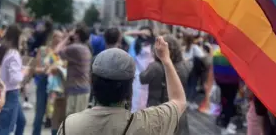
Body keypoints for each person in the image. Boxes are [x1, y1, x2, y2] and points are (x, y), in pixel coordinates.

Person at [59, 36, 187, 134]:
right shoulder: (147, 123)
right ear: (129, 88)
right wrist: (166, 60)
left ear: (92, 82)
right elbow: (179, 100)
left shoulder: (69, 125)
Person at [140, 35, 192, 135]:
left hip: (157, 109)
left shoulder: (155, 66)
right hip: (179, 110)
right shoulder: (186, 65)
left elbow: (143, 78)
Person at [0, 25, 26, 135]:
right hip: (10, 92)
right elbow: (15, 78)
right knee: (4, 127)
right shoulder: (14, 53)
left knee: (21, 121)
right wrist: (23, 73)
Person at [56, 23, 92, 117]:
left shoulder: (76, 48)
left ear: (77, 35)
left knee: (73, 122)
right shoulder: (85, 48)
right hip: (82, 89)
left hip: (77, 90)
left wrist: (67, 37)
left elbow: (57, 51)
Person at [130, 26, 155, 112]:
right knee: (136, 97)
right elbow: (125, 35)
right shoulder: (135, 43)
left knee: (147, 97)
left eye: (147, 32)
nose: (145, 34)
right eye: (143, 32)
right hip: (137, 74)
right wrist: (140, 33)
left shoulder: (154, 44)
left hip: (150, 74)